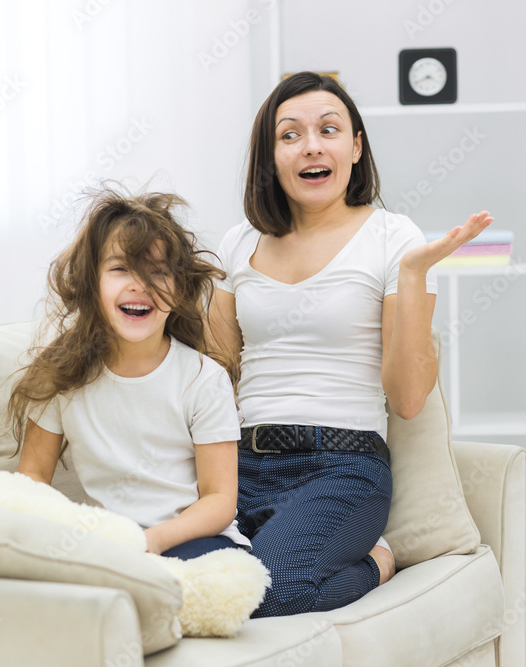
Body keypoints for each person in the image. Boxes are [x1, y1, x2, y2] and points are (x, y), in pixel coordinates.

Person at [208, 71, 493, 617]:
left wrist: (411, 278)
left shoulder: (394, 238)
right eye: (289, 135)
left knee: (267, 592)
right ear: (270, 157)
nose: (310, 145)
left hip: (341, 468)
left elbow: (408, 399)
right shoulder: (237, 242)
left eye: (329, 129)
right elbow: (218, 373)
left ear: (356, 147)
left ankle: (378, 562)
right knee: (181, 583)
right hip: (241, 464)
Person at [10, 186, 251, 560]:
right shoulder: (59, 375)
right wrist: (75, 532)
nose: (139, 285)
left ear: (179, 287)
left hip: (192, 540)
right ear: (93, 283)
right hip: (109, 545)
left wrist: (152, 540)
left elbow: (220, 500)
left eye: (158, 272)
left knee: (214, 585)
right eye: (121, 269)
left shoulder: (204, 378)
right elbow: (32, 477)